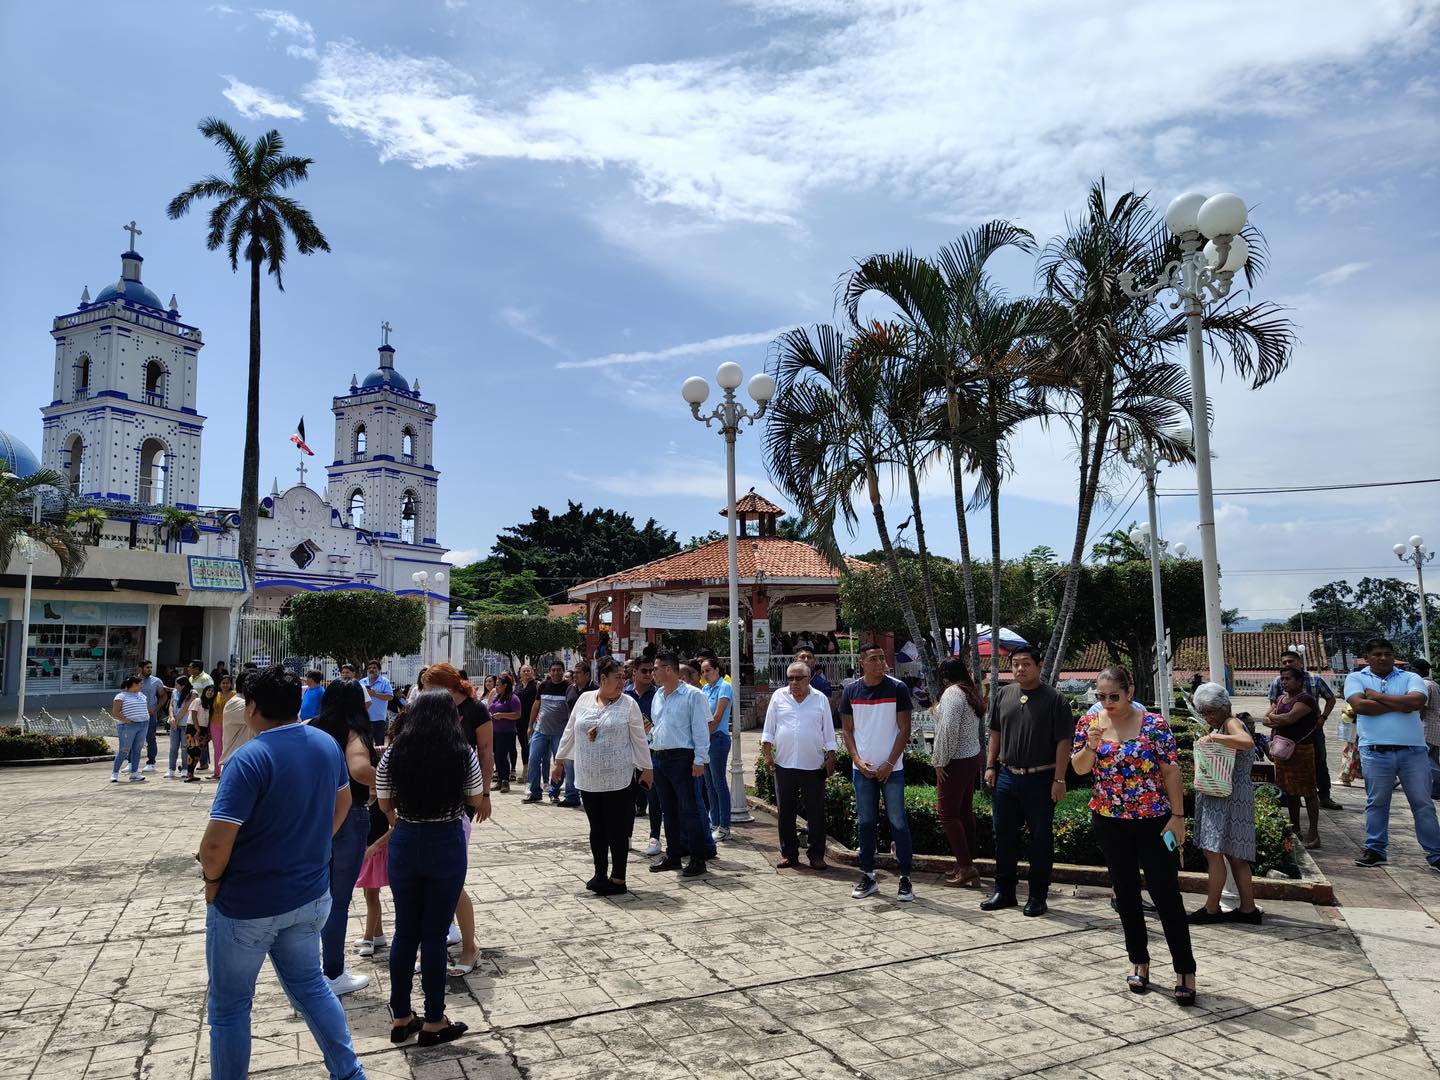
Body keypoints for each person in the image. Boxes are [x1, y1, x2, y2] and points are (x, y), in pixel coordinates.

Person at [197, 665, 367, 1079]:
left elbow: (215, 845)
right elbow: (342, 805)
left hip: (247, 904)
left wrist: (213, 882)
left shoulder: (249, 758)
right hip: (308, 896)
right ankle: (349, 1072)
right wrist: (311, 845)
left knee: (230, 1007)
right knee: (311, 986)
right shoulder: (326, 744)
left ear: (252, 707)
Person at [1071, 665, 1197, 1005]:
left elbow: (1171, 772)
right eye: (1101, 697)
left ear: (1130, 691)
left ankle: (1185, 969)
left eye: (1114, 696)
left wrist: (1178, 816)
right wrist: (1091, 747)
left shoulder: (1154, 725)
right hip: (1108, 819)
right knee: (1125, 894)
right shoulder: (1090, 724)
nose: (1107, 703)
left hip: (1152, 821)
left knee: (1165, 894)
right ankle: (1139, 961)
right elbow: (1080, 769)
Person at [376, 689, 486, 1047]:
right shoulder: (461, 753)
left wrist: (401, 818)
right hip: (445, 840)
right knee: (435, 933)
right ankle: (435, 1019)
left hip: (406, 839)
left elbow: (383, 801)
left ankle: (401, 1015)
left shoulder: (394, 753)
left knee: (405, 930)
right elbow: (474, 797)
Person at [981, 644, 1071, 917]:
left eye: (1026, 664)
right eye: (1016, 664)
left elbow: (1064, 742)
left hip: (1041, 779)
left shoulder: (1055, 699)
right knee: (1003, 836)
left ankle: (1037, 896)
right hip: (1007, 777)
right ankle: (1005, 891)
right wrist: (990, 766)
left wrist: (1059, 779)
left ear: (1038, 665)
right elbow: (995, 733)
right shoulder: (1004, 694)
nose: (1020, 669)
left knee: (1040, 839)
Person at [553, 656, 653, 895]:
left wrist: (646, 769)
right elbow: (570, 730)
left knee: (616, 828)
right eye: (617, 678)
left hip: (618, 777)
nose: (621, 683)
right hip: (588, 777)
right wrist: (558, 761)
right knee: (596, 828)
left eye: (623, 678)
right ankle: (599, 874)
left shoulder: (628, 704)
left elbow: (640, 739)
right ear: (603, 679)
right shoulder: (585, 699)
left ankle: (618, 879)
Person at [1344, 638, 1440, 872]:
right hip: (1376, 751)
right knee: (1377, 802)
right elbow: (1360, 706)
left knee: (1423, 803)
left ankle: (1436, 853)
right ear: (1367, 658)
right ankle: (1375, 849)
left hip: (1413, 751)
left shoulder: (1410, 677)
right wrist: (1401, 704)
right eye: (1377, 654)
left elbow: (1417, 701)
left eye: (1387, 653)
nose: (1383, 658)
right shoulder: (1356, 678)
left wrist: (1377, 697)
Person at [423, 663, 492, 976]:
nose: (424, 692)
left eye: (429, 685)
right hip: (429, 808)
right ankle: (445, 931)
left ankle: (469, 944)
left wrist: (485, 795)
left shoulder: (476, 710)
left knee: (451, 878)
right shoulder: (429, 712)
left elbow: (486, 752)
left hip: (461, 801)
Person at [310, 681, 378, 996]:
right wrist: (385, 783)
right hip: (349, 818)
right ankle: (333, 972)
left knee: (313, 895)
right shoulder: (354, 733)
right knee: (338, 900)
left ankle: (307, 971)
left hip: (312, 818)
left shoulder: (311, 728)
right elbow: (360, 768)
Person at [840, 643, 914, 902]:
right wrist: (857, 760)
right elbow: (847, 730)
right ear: (862, 662)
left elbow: (904, 728)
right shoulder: (851, 690)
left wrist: (890, 763)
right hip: (863, 770)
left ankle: (905, 877)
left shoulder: (898, 688)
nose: (880, 662)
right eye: (873, 658)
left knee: (898, 822)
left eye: (882, 658)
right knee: (865, 823)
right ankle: (869, 875)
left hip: (892, 770)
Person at [1187, 683, 1262, 925]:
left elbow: (1246, 742)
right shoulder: (1223, 724)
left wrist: (1213, 737)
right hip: (1232, 795)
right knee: (1235, 855)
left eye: (1212, 711)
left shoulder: (1231, 723)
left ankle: (1211, 909)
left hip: (1226, 796)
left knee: (1213, 852)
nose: (1208, 717)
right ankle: (1248, 909)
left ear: (1225, 707)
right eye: (1204, 713)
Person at [761, 661, 836, 870]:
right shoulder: (778, 697)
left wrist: (831, 757)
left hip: (813, 765)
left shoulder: (819, 699)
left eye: (799, 678)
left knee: (816, 813)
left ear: (808, 679)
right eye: (790, 678)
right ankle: (789, 854)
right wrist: (767, 755)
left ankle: (816, 855)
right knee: (785, 812)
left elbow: (829, 732)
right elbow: (768, 729)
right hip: (784, 764)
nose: (794, 682)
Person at [648, 652, 713, 877]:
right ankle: (673, 855)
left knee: (689, 810)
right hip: (660, 756)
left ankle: (697, 859)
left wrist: (699, 760)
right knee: (668, 811)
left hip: (682, 758)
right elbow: (658, 725)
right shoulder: (658, 695)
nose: (652, 673)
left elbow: (701, 730)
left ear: (668, 669)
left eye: (655, 668)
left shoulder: (693, 695)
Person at [933, 658, 984, 887]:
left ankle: (966, 866)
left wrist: (939, 761)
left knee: (947, 814)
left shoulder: (952, 693)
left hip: (956, 760)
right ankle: (967, 861)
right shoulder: (969, 691)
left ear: (944, 676)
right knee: (964, 812)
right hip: (971, 757)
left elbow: (948, 730)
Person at [1268, 650, 1341, 810]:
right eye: (1284, 662)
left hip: (1312, 730)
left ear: (1300, 662)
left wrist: (1323, 717)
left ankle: (1324, 796)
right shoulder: (1278, 681)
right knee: (1286, 763)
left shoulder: (1315, 679)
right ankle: (1292, 796)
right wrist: (1276, 722)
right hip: (1287, 734)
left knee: (1319, 761)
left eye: (1291, 661)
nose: (1288, 664)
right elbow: (1273, 706)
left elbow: (1330, 698)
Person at [1264, 667, 1321, 849]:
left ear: (1299, 681)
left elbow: (1289, 718)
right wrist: (1276, 718)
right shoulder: (1281, 698)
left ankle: (1313, 832)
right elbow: (1265, 719)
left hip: (1301, 751)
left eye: (1288, 678)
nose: (1284, 682)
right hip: (1282, 752)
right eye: (1282, 679)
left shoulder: (1306, 700)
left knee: (1308, 791)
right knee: (1290, 791)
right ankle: (1295, 827)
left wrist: (1275, 717)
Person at [625, 658, 663, 856]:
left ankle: (654, 837)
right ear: (634, 673)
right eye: (644, 671)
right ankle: (627, 836)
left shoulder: (658, 695)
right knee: (627, 798)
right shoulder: (624, 695)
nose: (648, 674)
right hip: (627, 754)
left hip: (651, 754)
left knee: (653, 798)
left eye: (651, 671)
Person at [525, 661, 570, 804]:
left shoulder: (569, 688)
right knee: (533, 760)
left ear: (563, 672)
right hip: (541, 730)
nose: (556, 673)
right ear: (549, 672)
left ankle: (554, 791)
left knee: (559, 763)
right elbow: (536, 705)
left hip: (559, 732)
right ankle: (535, 792)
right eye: (553, 670)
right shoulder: (543, 685)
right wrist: (530, 725)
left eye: (559, 670)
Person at [700, 658, 734, 841]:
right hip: (706, 739)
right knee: (709, 783)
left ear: (717, 670)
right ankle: (714, 822)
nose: (705, 674)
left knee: (719, 782)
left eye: (708, 670)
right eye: (703, 671)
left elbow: (717, 716)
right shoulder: (705, 689)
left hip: (717, 738)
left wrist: (703, 735)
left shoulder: (725, 687)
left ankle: (725, 826)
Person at [110, 674, 150, 783]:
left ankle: (134, 773)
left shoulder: (141, 695)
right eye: (139, 684)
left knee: (137, 749)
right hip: (128, 726)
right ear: (133, 684)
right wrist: (126, 720)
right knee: (124, 750)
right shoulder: (121, 696)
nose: (141, 686)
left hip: (143, 724)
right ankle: (115, 773)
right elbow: (116, 712)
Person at [488, 673, 522, 794]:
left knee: (502, 756)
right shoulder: (497, 697)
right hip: (495, 731)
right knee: (496, 756)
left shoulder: (513, 698)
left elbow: (517, 714)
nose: (496, 687)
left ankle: (505, 781)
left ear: (505, 685)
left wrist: (502, 715)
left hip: (506, 732)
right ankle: (500, 779)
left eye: (498, 685)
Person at [1413, 659, 1440, 799]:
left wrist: (1414, 724)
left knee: (1425, 759)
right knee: (1433, 759)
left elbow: (1422, 707)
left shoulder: (1423, 684)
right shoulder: (1435, 685)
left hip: (1425, 727)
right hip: (1436, 728)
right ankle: (1435, 792)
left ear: (1417, 670)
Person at [183, 684, 219, 782]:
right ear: (204, 691)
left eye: (212, 691)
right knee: (191, 751)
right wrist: (197, 729)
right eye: (208, 690)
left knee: (198, 753)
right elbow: (193, 714)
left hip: (203, 729)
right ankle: (189, 774)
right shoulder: (198, 701)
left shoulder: (210, 704)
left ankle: (192, 773)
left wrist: (208, 732)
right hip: (192, 728)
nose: (210, 692)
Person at [220, 671, 255, 769]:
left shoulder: (247, 702)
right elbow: (264, 716)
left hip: (245, 760)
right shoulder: (236, 703)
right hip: (236, 762)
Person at [138, 659, 165, 773]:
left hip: (150, 715)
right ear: (140, 668)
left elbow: (163, 696)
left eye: (150, 667)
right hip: (135, 715)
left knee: (150, 739)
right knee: (134, 740)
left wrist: (156, 709)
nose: (149, 669)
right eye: (147, 667)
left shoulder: (156, 681)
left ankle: (151, 763)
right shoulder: (133, 681)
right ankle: (131, 762)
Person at [360, 661, 393, 746]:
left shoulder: (385, 682)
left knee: (379, 746)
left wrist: (375, 694)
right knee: (366, 745)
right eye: (369, 668)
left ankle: (379, 760)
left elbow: (390, 697)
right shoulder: (362, 682)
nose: (372, 669)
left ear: (379, 670)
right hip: (364, 719)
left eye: (374, 668)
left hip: (379, 720)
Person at [212, 674, 236, 779]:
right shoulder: (215, 694)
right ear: (220, 684)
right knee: (217, 748)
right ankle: (217, 772)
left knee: (229, 748)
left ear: (231, 684)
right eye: (223, 683)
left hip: (229, 724)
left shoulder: (234, 694)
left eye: (227, 683)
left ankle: (228, 771)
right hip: (215, 724)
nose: (225, 685)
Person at [515, 664, 538, 773]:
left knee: (532, 745)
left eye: (528, 671)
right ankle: (525, 769)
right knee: (523, 745)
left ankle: (532, 770)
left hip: (532, 720)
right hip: (519, 720)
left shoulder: (536, 685)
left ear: (532, 672)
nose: (526, 673)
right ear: (520, 673)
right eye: (524, 671)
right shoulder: (518, 686)